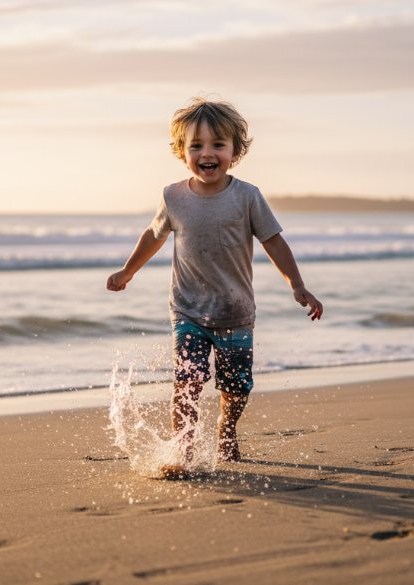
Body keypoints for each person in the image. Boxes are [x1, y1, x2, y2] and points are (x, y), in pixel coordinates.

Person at [106, 97, 322, 468]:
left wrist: (297, 285)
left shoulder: (247, 197)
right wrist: (128, 271)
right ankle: (183, 453)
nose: (207, 153)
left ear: (235, 152)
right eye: (196, 145)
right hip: (187, 310)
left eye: (218, 145)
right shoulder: (173, 197)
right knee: (186, 382)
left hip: (236, 312)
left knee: (235, 388)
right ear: (181, 151)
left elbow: (273, 241)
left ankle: (226, 428)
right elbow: (154, 236)